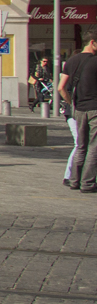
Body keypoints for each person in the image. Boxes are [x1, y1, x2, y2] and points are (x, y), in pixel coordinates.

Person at [58, 28, 97, 192]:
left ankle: (74, 180)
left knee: (81, 146)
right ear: (93, 42)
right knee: (94, 147)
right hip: (95, 108)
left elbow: (61, 87)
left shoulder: (71, 61)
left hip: (78, 109)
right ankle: (88, 183)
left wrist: (72, 103)